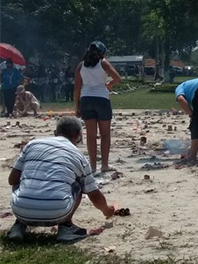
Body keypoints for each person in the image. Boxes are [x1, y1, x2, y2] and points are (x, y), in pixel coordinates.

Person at [6, 116, 116, 242]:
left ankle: (19, 226)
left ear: (55, 133)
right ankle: (66, 227)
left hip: (20, 211)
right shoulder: (79, 156)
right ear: (78, 135)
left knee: (21, 180)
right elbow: (94, 195)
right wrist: (108, 211)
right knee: (79, 183)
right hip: (57, 213)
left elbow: (12, 180)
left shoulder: (32, 145)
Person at [74, 42, 121, 173]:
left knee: (91, 135)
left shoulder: (81, 65)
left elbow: (77, 87)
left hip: (86, 99)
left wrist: (77, 106)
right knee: (105, 134)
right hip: (101, 99)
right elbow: (118, 78)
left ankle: (93, 166)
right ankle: (104, 165)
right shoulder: (103, 63)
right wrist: (109, 84)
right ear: (102, 52)